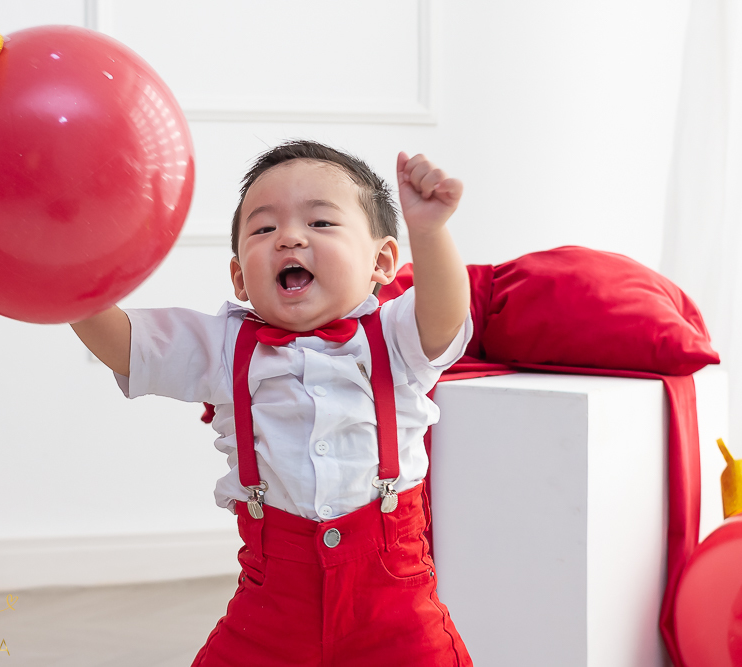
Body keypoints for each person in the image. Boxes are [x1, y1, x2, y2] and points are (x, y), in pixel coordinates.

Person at [71, 140, 473, 666]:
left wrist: (430, 231)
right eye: (263, 229)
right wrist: (68, 274)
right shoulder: (221, 347)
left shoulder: (396, 336)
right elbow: (126, 344)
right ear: (240, 277)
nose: (288, 237)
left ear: (381, 261)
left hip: (394, 610)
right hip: (272, 607)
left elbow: (444, 315)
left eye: (321, 223)